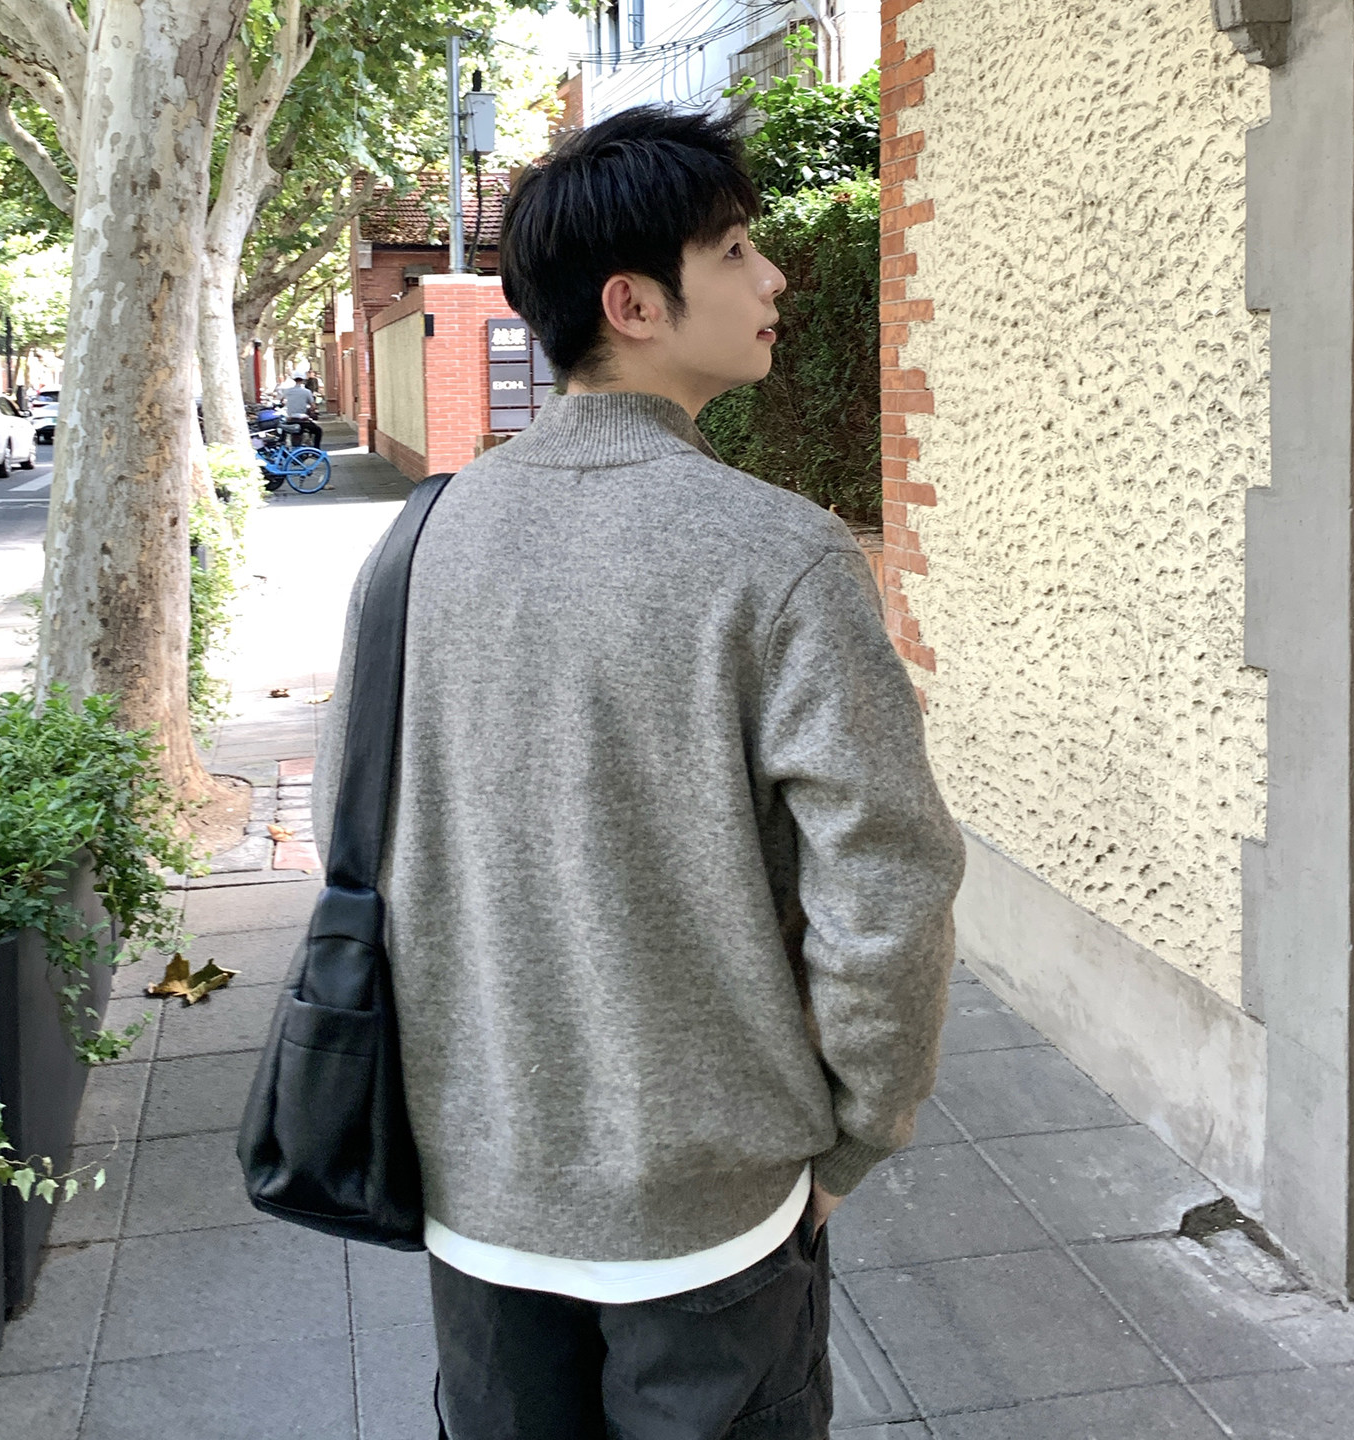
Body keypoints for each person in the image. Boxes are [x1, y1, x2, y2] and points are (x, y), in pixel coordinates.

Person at [313, 105, 964, 1439]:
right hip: (709, 1213)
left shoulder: (420, 542)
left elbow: (352, 832)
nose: (775, 279)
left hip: (476, 1193)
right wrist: (859, 1133)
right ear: (634, 304)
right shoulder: (779, 555)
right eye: (735, 251)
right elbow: (886, 890)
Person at [281, 370, 321, 449]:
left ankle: (283, 449)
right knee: (318, 431)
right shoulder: (306, 392)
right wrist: (312, 409)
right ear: (303, 380)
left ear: (294, 379)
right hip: (302, 421)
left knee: (283, 433)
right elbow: (313, 406)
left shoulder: (288, 391)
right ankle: (316, 450)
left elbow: (281, 401)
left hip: (290, 420)